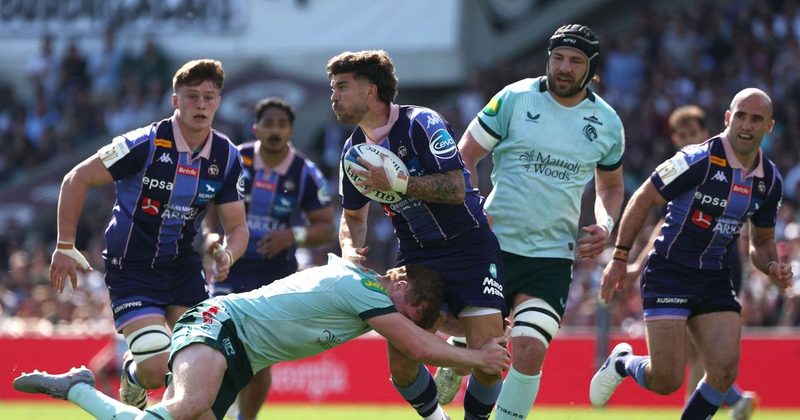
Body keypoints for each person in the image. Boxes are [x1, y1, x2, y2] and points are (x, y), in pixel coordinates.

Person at [14, 254, 511, 420]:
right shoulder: (360, 289)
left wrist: (470, 341)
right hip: (219, 325)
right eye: (418, 309)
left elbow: (425, 335)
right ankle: (79, 386)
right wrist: (480, 357)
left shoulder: (367, 294)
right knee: (187, 406)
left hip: (240, 354)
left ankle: (80, 385)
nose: (417, 319)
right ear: (399, 283)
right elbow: (423, 346)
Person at [48, 59, 248, 409]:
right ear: (176, 101)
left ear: (218, 101)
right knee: (157, 370)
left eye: (208, 97)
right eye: (192, 96)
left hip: (183, 268)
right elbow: (75, 179)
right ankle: (133, 376)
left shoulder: (227, 157)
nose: (201, 104)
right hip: (132, 268)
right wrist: (65, 245)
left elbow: (237, 226)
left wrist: (228, 254)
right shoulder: (145, 143)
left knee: (202, 365)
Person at [447, 24, 625, 418]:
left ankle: (462, 359)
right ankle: (458, 357)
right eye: (558, 57)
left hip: (550, 257)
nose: (564, 67)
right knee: (488, 354)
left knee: (528, 349)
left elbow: (610, 187)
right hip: (493, 246)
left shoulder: (607, 123)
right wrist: (471, 212)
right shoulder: (514, 98)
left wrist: (606, 224)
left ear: (591, 70)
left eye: (575, 61)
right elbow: (466, 157)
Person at [590, 88, 792, 420]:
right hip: (670, 271)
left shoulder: (769, 181)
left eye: (756, 119)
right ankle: (623, 362)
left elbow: (762, 242)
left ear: (769, 127)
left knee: (724, 370)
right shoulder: (697, 159)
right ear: (728, 118)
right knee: (666, 379)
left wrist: (771, 265)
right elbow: (643, 198)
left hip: (714, 276)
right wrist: (620, 258)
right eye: (740, 115)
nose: (746, 125)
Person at [328, 49, 508, 420]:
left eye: (343, 87)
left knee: (490, 361)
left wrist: (400, 182)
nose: (334, 96)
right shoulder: (352, 152)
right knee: (403, 366)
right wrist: (349, 249)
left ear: (371, 90)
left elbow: (457, 187)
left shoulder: (420, 123)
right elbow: (352, 216)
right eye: (333, 88)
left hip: (470, 249)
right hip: (417, 258)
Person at [203, 96, 335, 420]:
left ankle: (245, 418)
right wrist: (210, 236)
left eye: (281, 124)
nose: (275, 130)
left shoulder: (305, 172)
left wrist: (294, 235)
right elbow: (208, 206)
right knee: (217, 342)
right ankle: (207, 406)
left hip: (276, 275)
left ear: (291, 129)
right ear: (255, 128)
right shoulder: (235, 160)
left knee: (257, 356)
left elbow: (326, 227)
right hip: (230, 266)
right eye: (268, 123)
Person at [626, 105, 757, 418]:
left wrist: (752, 279)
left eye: (693, 134)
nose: (687, 140)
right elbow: (661, 225)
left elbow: (752, 228)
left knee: (699, 352)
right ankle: (730, 399)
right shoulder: (680, 170)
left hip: (722, 271)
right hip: (679, 270)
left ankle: (717, 403)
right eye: (681, 136)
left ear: (705, 131)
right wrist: (635, 263)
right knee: (688, 355)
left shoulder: (728, 165)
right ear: (674, 138)